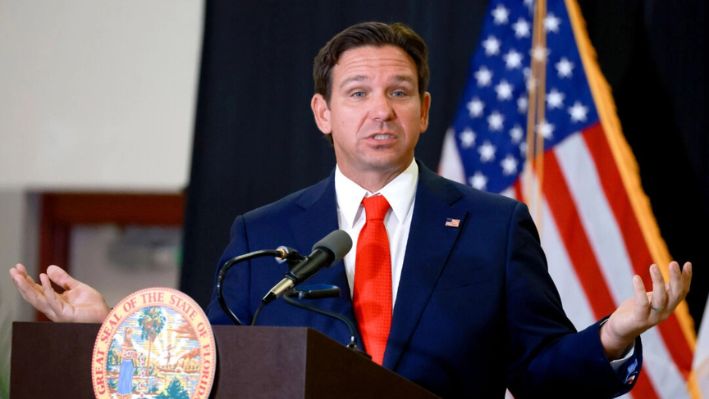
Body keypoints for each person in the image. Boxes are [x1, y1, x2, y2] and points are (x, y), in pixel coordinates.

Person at [9, 22, 692, 398]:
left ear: (424, 112)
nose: (379, 109)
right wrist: (106, 326)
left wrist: (612, 335)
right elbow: (212, 366)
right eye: (358, 91)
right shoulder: (264, 234)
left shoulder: (491, 226)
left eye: (399, 92)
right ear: (322, 113)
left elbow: (540, 374)